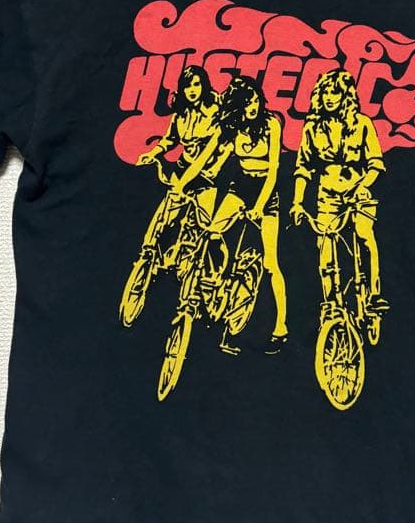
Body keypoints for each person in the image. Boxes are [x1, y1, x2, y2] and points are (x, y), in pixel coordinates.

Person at [175, 74, 288, 355]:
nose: (252, 107)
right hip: (241, 187)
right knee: (212, 233)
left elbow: (274, 171)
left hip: (266, 193)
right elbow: (203, 158)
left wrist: (259, 207)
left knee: (270, 263)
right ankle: (214, 288)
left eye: (255, 101)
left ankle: (280, 327)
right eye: (246, 103)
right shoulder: (231, 126)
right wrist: (180, 185)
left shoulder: (271, 124)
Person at [290, 68, 389, 317]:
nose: (329, 98)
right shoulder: (312, 127)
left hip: (358, 195)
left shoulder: (362, 124)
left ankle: (374, 293)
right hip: (328, 196)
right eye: (325, 93)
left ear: (346, 95)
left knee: (364, 236)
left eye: (335, 93)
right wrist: (297, 202)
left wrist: (362, 187)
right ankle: (331, 302)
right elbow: (303, 167)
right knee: (324, 243)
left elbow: (375, 164)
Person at [134, 64, 219, 249]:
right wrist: (152, 153)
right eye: (187, 86)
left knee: (201, 226)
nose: (192, 90)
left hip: (207, 175)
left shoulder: (215, 111)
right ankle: (149, 253)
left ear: (204, 85)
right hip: (182, 168)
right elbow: (170, 139)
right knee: (166, 216)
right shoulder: (180, 114)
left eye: (196, 84)